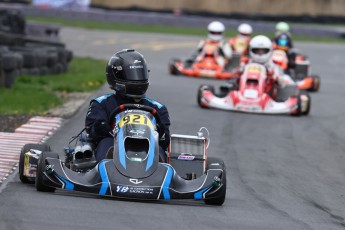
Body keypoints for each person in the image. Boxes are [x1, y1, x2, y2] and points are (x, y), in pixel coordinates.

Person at [85, 49, 171, 162]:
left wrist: (161, 131)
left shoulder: (158, 108)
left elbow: (165, 141)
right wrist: (103, 127)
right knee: (106, 144)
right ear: (116, 76)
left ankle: (159, 175)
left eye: (140, 74)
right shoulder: (102, 103)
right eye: (132, 74)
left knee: (158, 149)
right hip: (114, 144)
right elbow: (93, 133)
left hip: (147, 147)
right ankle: (106, 173)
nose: (137, 79)